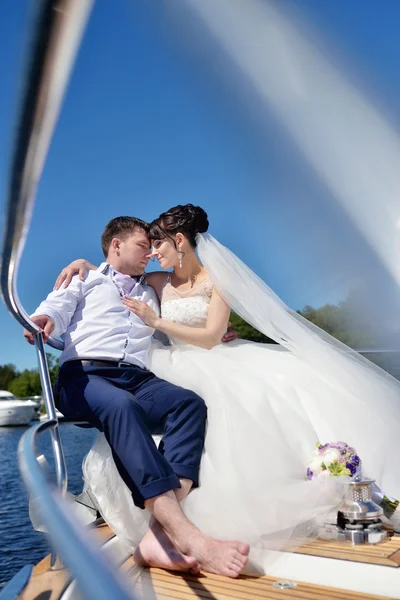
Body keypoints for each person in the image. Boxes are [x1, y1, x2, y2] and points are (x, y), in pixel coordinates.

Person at [56, 204, 400, 573]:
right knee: (155, 406)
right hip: (167, 364)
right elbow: (118, 276)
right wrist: (84, 265)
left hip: (212, 355)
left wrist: (158, 322)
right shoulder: (157, 282)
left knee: (242, 404)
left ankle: (167, 528)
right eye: (149, 246)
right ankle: (170, 528)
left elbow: (210, 337)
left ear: (180, 240)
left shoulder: (219, 281)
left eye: (158, 244)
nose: (154, 253)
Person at [24, 216, 250, 578]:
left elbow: (188, 304)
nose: (149, 253)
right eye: (143, 246)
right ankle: (186, 535)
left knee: (188, 404)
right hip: (84, 375)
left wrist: (218, 330)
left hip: (137, 377)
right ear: (116, 245)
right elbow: (57, 306)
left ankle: (157, 534)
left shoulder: (151, 288)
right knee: (121, 405)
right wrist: (44, 319)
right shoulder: (86, 278)